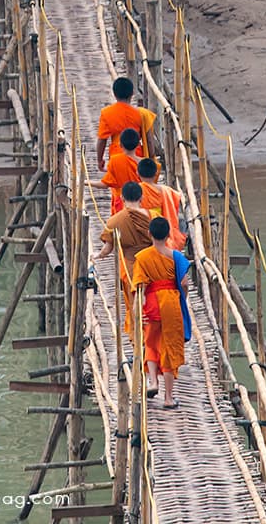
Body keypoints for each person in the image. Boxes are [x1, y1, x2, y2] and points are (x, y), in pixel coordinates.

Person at [132, 217, 191, 409]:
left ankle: (153, 382)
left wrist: (137, 310)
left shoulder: (142, 257)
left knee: (150, 342)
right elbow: (184, 283)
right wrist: (183, 298)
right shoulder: (176, 257)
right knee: (169, 349)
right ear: (168, 236)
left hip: (151, 304)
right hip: (171, 304)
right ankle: (168, 398)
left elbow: (139, 287)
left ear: (149, 234)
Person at [93, 181, 152, 333]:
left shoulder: (115, 221)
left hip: (131, 267)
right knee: (151, 300)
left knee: (134, 302)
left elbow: (107, 249)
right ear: (142, 197)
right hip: (151, 265)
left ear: (122, 198)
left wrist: (97, 255)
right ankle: (151, 335)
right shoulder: (153, 217)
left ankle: (137, 339)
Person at [96, 77, 155, 171]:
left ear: (114, 94)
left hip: (116, 156)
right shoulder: (142, 114)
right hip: (137, 156)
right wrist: (151, 159)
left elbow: (102, 140)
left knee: (117, 184)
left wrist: (100, 160)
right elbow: (149, 141)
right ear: (132, 94)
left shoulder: (107, 113)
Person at [137, 157, 187, 251]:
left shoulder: (138, 191)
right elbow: (177, 202)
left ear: (138, 173)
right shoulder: (167, 191)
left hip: (143, 233)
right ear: (156, 173)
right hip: (164, 230)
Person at [91, 128, 141, 215]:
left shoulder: (115, 161)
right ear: (138, 145)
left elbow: (105, 184)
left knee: (119, 225)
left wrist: (86, 182)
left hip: (122, 202)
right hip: (140, 202)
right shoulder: (143, 163)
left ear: (120, 145)